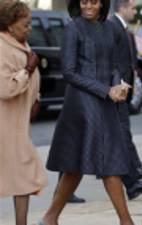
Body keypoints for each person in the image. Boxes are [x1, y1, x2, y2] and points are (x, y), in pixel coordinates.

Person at [40, 1, 135, 225]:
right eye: (84, 1)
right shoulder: (74, 28)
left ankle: (49, 218)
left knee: (78, 166)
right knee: (91, 164)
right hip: (81, 104)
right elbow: (69, 72)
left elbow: (113, 66)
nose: (88, 6)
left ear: (102, 3)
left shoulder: (110, 28)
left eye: (93, 1)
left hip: (106, 102)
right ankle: (126, 222)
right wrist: (106, 90)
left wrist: (118, 86)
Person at [0, 1, 48, 225]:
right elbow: (5, 88)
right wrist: (28, 69)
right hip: (5, 124)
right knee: (21, 176)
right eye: (26, 24)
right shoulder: (1, 47)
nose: (30, 28)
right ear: (10, 26)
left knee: (21, 178)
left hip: (17, 123)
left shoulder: (21, 43)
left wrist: (35, 100)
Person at [110, 0, 142, 201]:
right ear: (122, 8)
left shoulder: (122, 27)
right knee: (118, 137)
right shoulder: (113, 26)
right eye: (133, 8)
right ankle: (133, 180)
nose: (135, 11)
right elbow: (113, 60)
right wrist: (118, 83)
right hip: (116, 91)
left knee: (122, 135)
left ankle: (134, 177)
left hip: (123, 91)